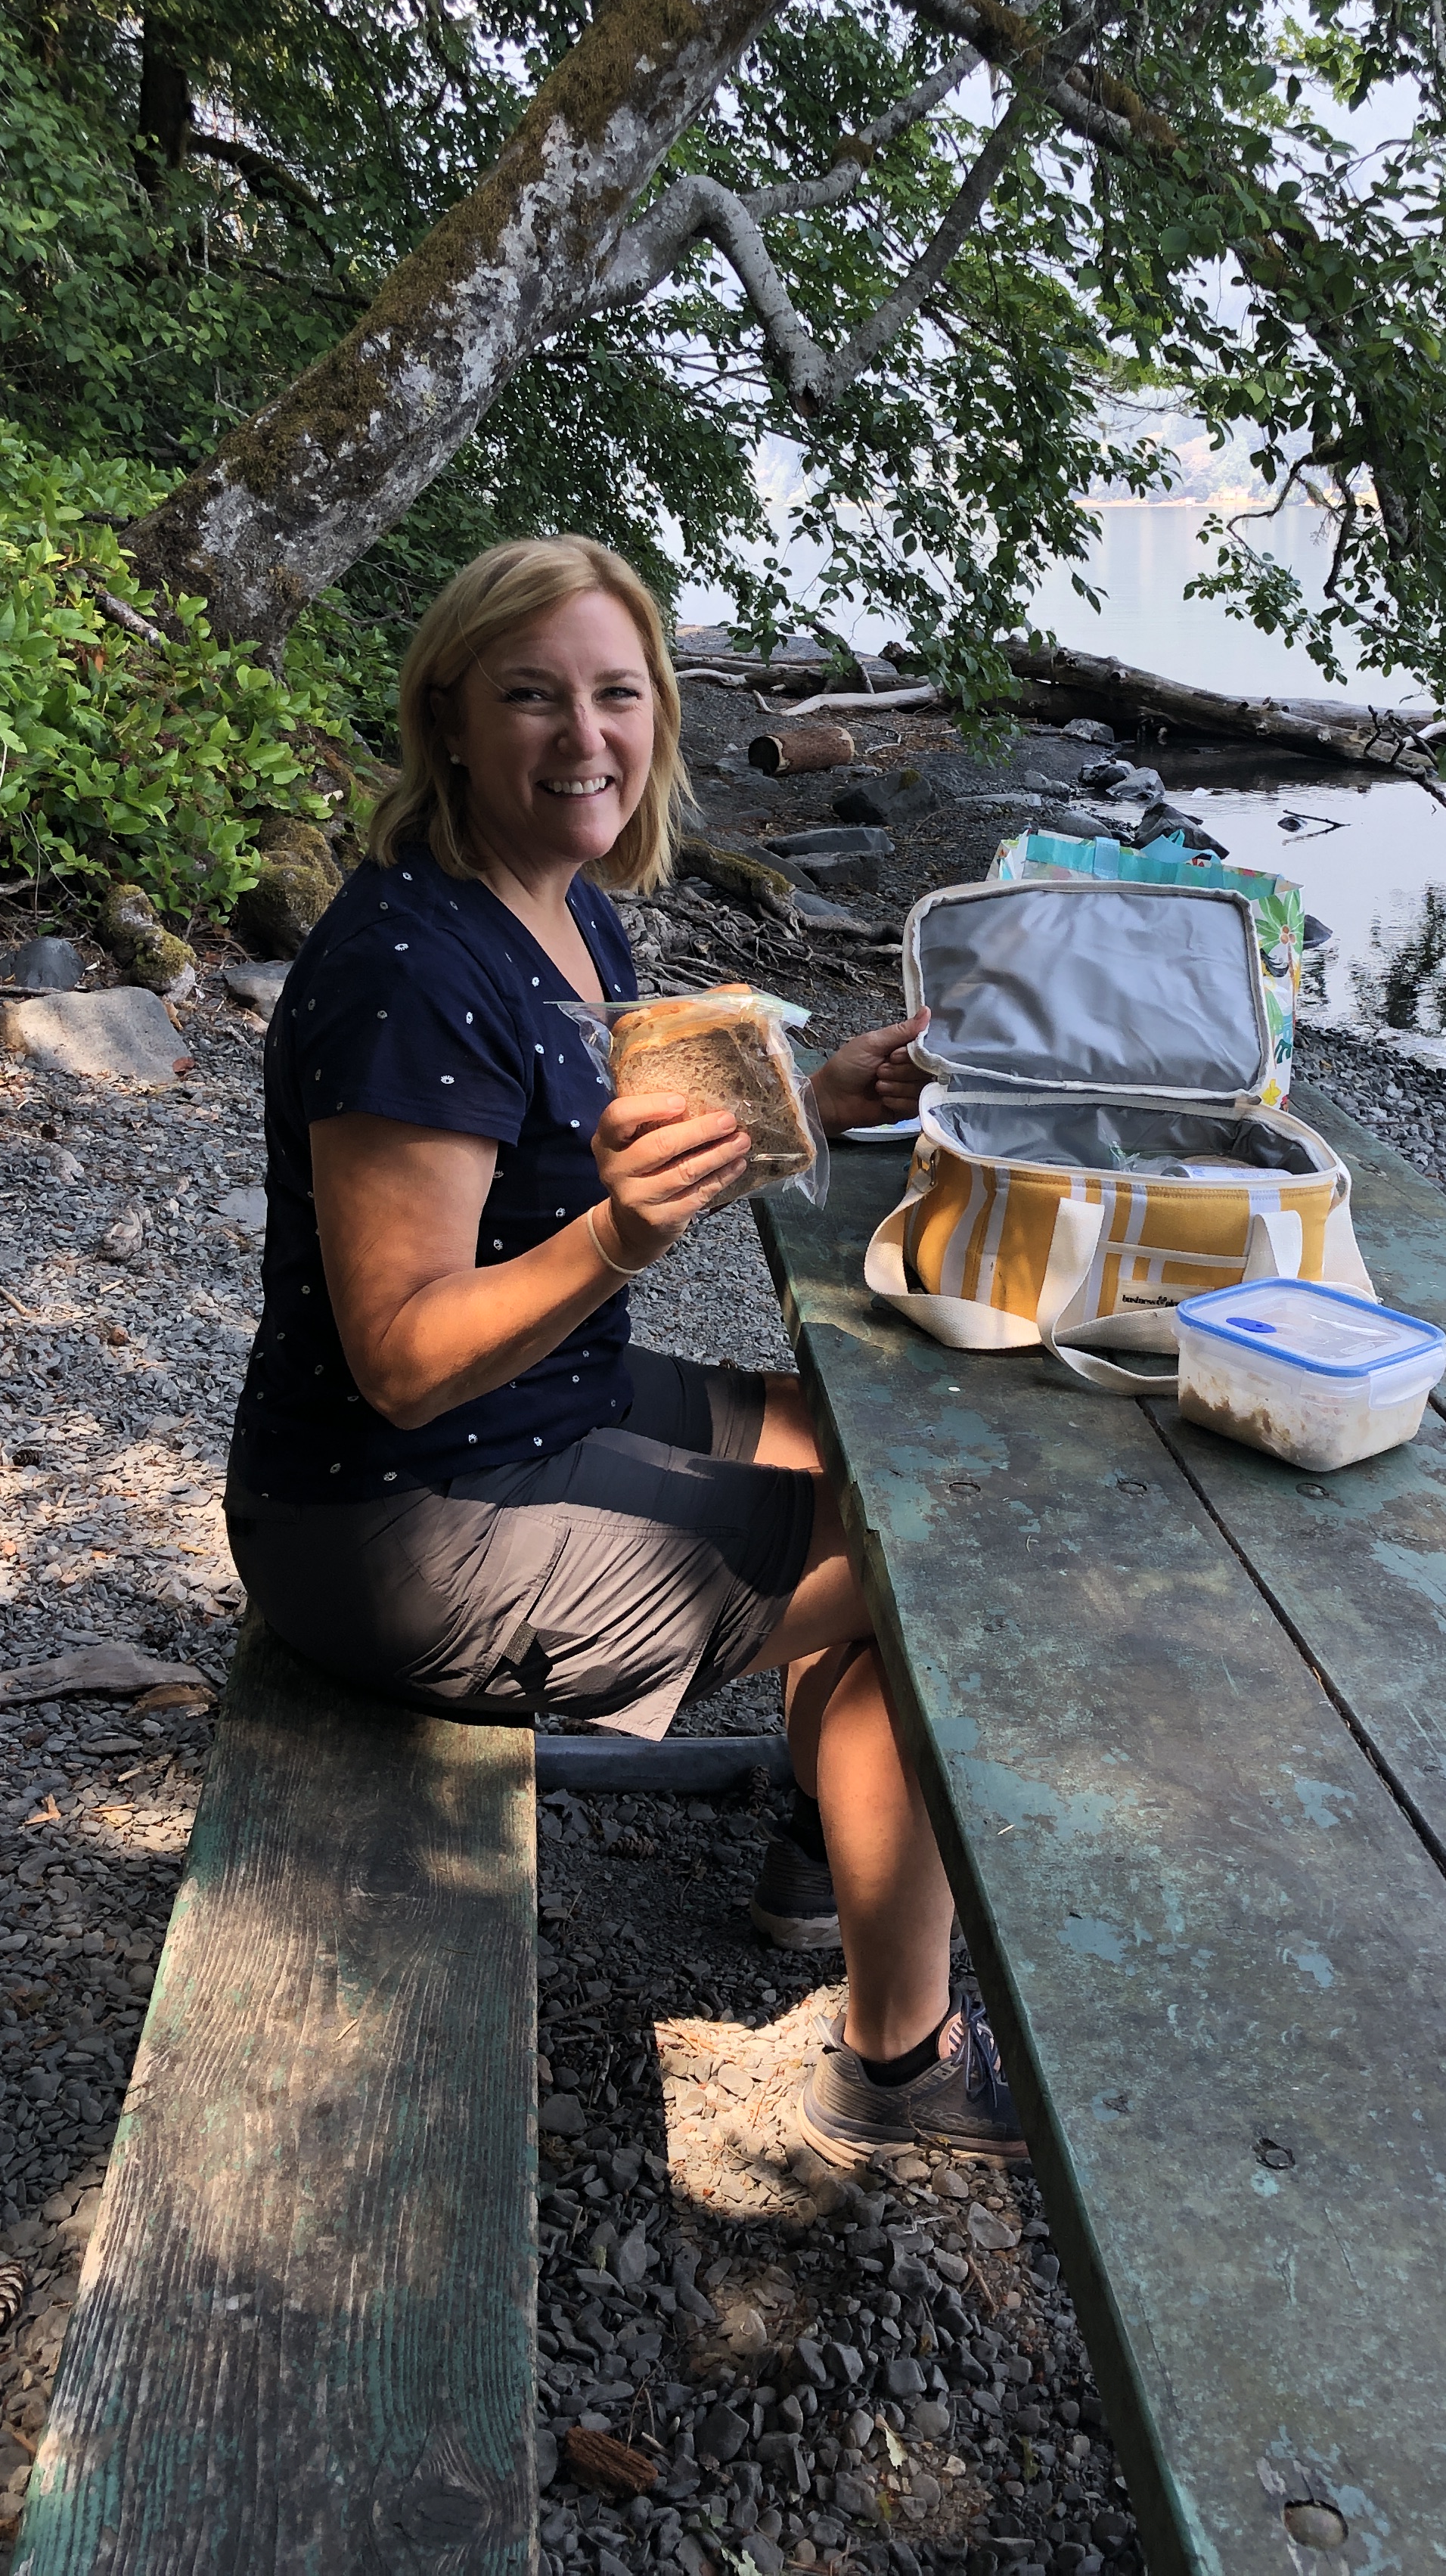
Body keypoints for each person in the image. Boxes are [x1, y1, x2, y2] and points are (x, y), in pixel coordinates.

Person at [222, 534, 1022, 2168]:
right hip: (394, 1516)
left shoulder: (567, 910)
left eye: (617, 693)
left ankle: (831, 1837)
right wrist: (618, 1243)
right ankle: (898, 2065)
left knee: (880, 1456)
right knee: (933, 1571)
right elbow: (399, 1358)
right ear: (450, 720)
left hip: (533, 1408)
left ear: (659, 709)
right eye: (533, 697)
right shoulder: (407, 971)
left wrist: (817, 1105)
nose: (584, 737)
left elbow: (613, 1152)